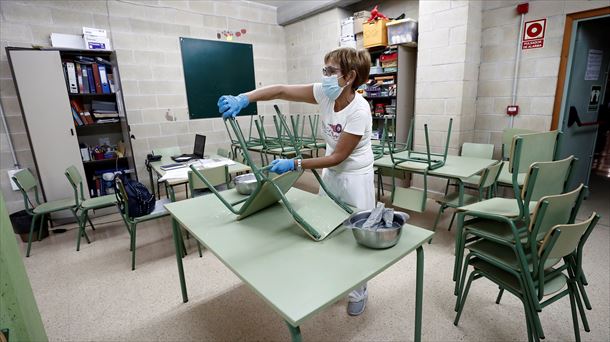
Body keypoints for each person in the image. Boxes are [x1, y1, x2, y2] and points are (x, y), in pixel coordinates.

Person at [217, 47, 375, 316]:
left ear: (349, 76)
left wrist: (295, 163)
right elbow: (281, 90)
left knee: (354, 236)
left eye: (330, 71)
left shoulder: (360, 110)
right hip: (332, 175)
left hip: (354, 177)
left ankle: (359, 290)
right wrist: (244, 98)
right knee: (328, 227)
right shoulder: (326, 93)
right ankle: (333, 279)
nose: (324, 76)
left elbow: (338, 157)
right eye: (323, 69)